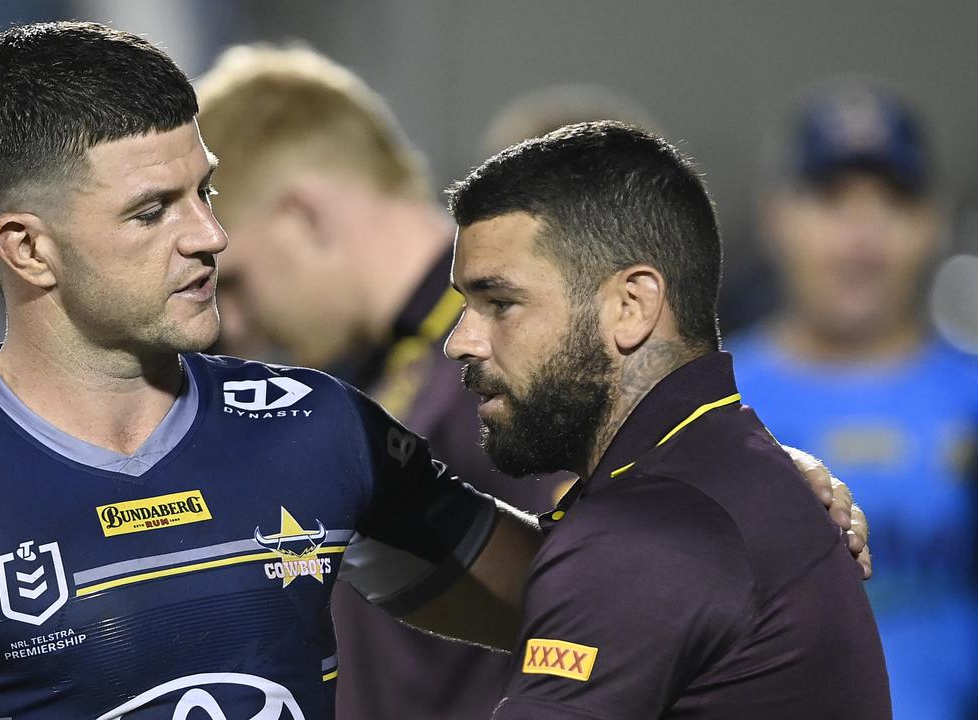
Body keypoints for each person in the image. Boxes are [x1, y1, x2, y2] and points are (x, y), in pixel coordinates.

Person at [0, 25, 861, 720]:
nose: (209, 237)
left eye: (202, 191)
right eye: (153, 212)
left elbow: (589, 589)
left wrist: (729, 481)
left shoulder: (310, 428)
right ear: (27, 248)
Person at [196, 45, 869, 720]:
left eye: (498, 302)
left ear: (302, 215)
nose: (233, 321)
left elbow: (636, 565)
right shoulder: (385, 377)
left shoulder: (518, 390)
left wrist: (717, 493)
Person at [445, 121, 891, 718]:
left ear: (632, 306)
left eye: (500, 304)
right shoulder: (722, 473)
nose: (460, 342)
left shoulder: (650, 533)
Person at [730, 81, 978, 719]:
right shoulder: (706, 397)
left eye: (892, 202)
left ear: (932, 222)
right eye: (832, 200)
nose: (862, 238)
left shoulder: (971, 398)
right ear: (777, 217)